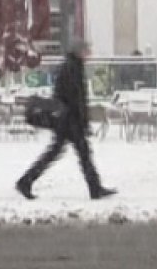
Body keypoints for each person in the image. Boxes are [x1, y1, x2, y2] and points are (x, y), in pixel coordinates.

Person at [16, 40, 116, 201]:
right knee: (80, 154)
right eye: (87, 50)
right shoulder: (72, 68)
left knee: (67, 153)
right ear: (80, 51)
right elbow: (76, 98)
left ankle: (26, 181)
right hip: (70, 120)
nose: (89, 54)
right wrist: (81, 120)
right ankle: (94, 188)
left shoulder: (72, 66)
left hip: (68, 119)